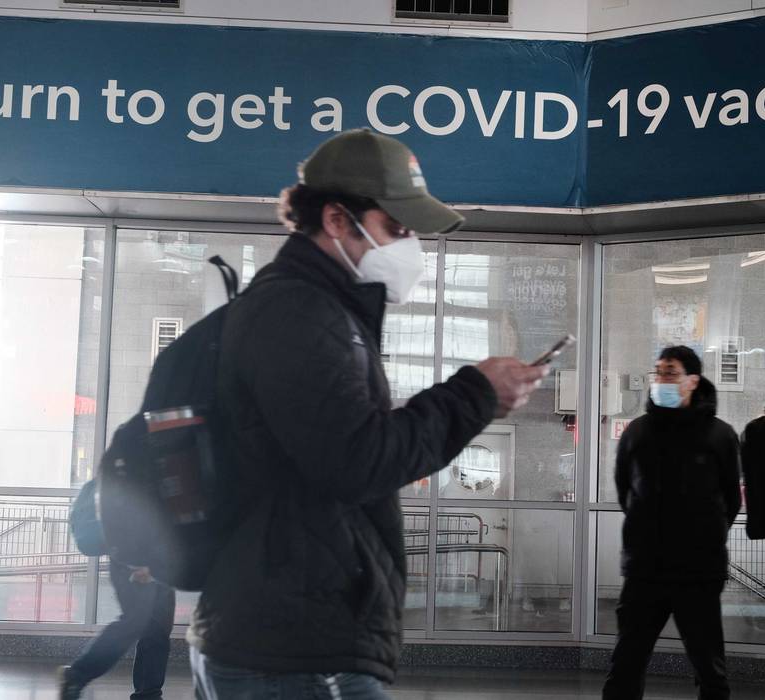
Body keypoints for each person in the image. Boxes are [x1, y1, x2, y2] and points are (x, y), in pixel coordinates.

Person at [186, 129, 547, 698]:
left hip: (290, 629)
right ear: (336, 220)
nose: (409, 247)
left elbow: (335, 444)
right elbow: (359, 461)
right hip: (293, 645)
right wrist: (474, 395)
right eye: (396, 228)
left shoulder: (316, 310)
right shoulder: (301, 314)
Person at [602, 345, 741, 700]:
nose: (661, 379)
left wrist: (704, 536)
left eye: (671, 372)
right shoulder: (637, 432)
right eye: (658, 372)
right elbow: (625, 492)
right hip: (645, 568)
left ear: (693, 381)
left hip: (698, 572)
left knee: (709, 666)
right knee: (627, 662)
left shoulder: (719, 435)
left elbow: (731, 499)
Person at [58, 562, 175, 699]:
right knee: (135, 621)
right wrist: (137, 557)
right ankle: (76, 675)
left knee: (158, 630)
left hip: (164, 563)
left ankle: (148, 695)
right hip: (132, 558)